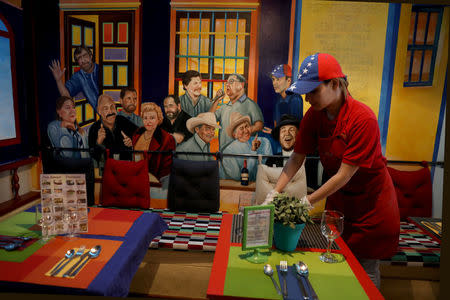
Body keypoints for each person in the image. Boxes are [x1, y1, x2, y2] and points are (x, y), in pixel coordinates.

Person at [264, 53, 400, 289]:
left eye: (313, 91)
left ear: (335, 84)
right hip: (339, 203)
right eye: (305, 92)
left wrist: (306, 202)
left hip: (371, 205)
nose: (307, 98)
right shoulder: (313, 117)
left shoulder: (362, 119)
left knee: (365, 270)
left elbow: (344, 175)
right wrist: (274, 191)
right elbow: (297, 158)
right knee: (333, 261)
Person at [209, 73, 264, 150]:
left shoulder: (250, 104)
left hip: (242, 154)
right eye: (226, 83)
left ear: (241, 85)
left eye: (231, 82)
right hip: (224, 154)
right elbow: (209, 120)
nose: (227, 85)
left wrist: (244, 132)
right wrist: (216, 101)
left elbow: (259, 125)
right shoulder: (224, 107)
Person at [221, 112, 272, 181]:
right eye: (241, 128)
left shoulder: (264, 142)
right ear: (234, 134)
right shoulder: (228, 151)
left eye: (247, 126)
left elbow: (269, 169)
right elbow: (237, 177)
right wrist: (253, 151)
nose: (246, 131)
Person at [132, 102, 175, 183]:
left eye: (152, 118)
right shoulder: (138, 133)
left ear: (158, 119)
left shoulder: (167, 139)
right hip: (135, 177)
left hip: (155, 182)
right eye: (145, 118)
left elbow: (167, 170)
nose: (148, 121)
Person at [88, 94, 138, 163]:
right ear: (99, 111)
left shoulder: (122, 120)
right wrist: (98, 142)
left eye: (112, 107)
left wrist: (133, 142)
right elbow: (94, 157)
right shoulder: (94, 128)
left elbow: (140, 135)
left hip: (126, 167)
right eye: (106, 108)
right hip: (107, 169)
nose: (110, 112)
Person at [49, 46, 100, 111]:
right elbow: (66, 96)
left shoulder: (103, 69)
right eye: (79, 58)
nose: (83, 60)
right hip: (103, 116)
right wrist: (58, 80)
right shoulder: (78, 77)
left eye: (85, 55)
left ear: (91, 56)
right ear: (77, 62)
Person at [263, 64, 302, 136]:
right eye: (273, 79)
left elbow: (296, 129)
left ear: (289, 80)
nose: (274, 83)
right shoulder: (278, 100)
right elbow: (276, 124)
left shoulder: (295, 99)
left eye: (278, 79)